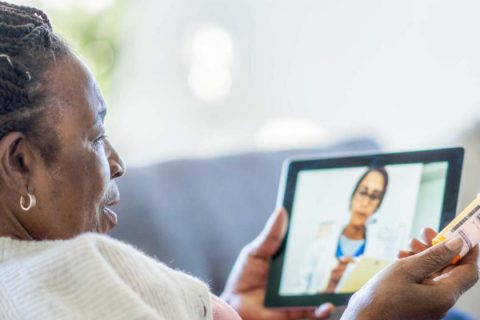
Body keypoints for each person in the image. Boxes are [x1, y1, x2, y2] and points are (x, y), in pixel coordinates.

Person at [0, 2, 477, 319]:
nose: (116, 162)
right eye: (96, 135)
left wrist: (233, 309)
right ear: (19, 162)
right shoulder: (70, 272)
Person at [296, 167, 389, 294]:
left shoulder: (379, 252)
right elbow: (297, 294)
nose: (365, 203)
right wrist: (330, 287)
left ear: (378, 205)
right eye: (362, 192)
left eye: (374, 197)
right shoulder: (320, 245)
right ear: (353, 195)